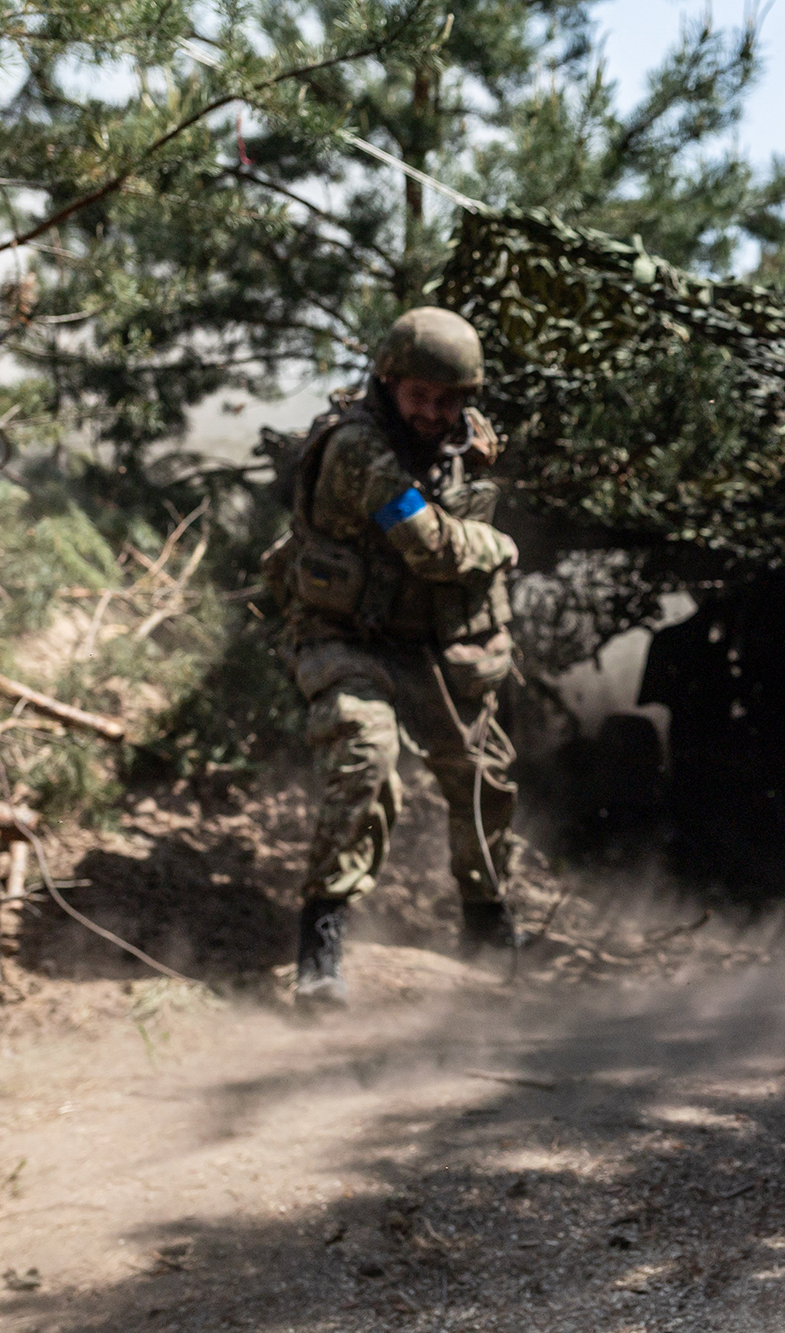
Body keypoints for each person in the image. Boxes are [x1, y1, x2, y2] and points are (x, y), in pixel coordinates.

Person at [265, 306, 528, 1008]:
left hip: (425, 645)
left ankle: (488, 927)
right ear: (388, 382)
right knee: (368, 755)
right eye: (418, 396)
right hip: (340, 636)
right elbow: (429, 544)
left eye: (448, 400)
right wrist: (499, 548)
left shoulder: (458, 439)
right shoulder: (359, 447)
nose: (431, 412)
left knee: (485, 775)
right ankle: (320, 947)